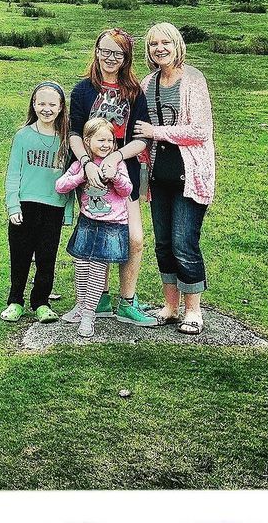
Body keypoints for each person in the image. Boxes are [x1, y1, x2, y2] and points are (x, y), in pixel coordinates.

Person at [65, 28, 157, 326]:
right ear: (96, 51)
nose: (110, 58)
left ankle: (127, 302)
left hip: (124, 176)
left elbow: (142, 139)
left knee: (134, 239)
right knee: (96, 238)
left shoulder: (133, 92)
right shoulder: (82, 91)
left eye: (117, 53)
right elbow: (75, 132)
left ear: (126, 57)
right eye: (105, 51)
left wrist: (116, 156)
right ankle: (99, 298)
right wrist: (87, 164)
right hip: (90, 179)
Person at [132, 21, 216, 335]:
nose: (160, 49)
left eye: (165, 42)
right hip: (158, 176)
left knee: (184, 242)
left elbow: (200, 131)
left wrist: (159, 132)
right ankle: (170, 306)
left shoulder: (193, 80)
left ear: (177, 44)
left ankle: (193, 311)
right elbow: (139, 129)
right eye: (154, 44)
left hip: (190, 175)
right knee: (164, 244)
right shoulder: (147, 83)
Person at [55, 119, 136, 337]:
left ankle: (90, 314)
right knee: (81, 265)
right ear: (88, 141)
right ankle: (80, 306)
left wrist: (116, 177)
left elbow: (127, 190)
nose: (106, 144)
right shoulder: (83, 164)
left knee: (98, 269)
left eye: (110, 140)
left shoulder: (117, 165)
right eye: (101, 140)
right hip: (87, 222)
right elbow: (60, 185)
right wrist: (82, 175)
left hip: (111, 226)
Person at [1, 82, 73, 323]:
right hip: (25, 206)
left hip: (54, 207)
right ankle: (15, 301)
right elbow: (13, 174)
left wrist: (68, 211)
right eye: (41, 103)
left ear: (61, 107)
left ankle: (41, 302)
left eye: (52, 104)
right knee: (20, 256)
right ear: (33, 105)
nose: (46, 109)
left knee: (46, 257)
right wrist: (13, 205)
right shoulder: (23, 136)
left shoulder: (66, 140)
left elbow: (72, 177)